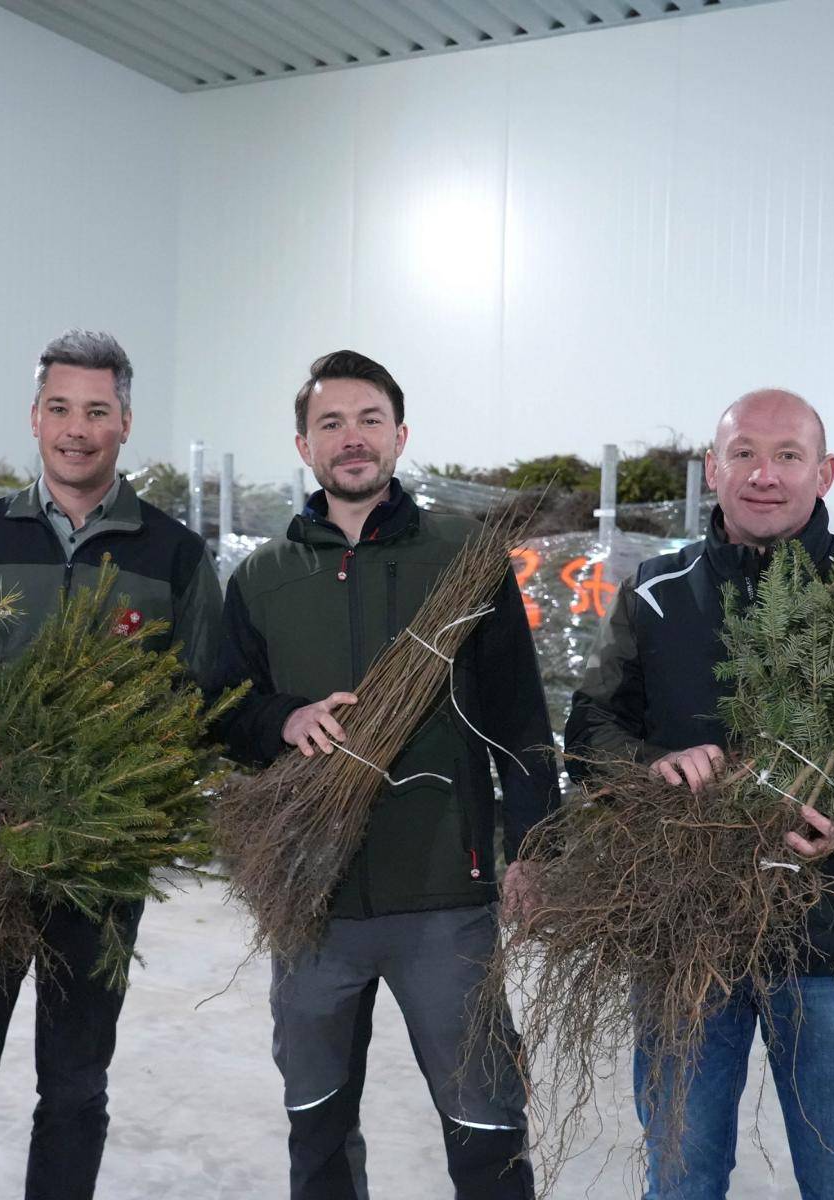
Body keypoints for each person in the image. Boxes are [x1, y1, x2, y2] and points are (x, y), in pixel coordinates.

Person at [564, 388, 834, 1200]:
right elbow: (590, 727)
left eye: (788, 455)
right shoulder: (656, 592)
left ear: (823, 472)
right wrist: (650, 766)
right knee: (680, 1175)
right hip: (684, 939)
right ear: (714, 469)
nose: (764, 474)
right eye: (744, 454)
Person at [218, 349, 557, 1200]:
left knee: (486, 1127)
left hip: (445, 895)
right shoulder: (262, 577)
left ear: (400, 436)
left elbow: (522, 718)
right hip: (311, 900)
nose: (352, 438)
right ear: (303, 446)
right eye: (330, 423)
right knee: (319, 1132)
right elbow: (223, 711)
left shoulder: (466, 559)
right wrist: (282, 717)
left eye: (369, 420)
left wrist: (536, 849)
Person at [0, 329, 223, 1200]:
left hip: (100, 857)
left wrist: (150, 773)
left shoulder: (175, 555)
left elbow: (206, 697)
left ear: (125, 422)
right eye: (58, 409)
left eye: (96, 411)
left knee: (75, 1086)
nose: (75, 429)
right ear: (32, 418)